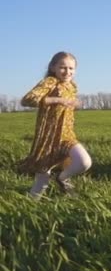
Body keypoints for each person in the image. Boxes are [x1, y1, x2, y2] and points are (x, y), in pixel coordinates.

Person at [19, 51, 92, 199]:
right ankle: (28, 210)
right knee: (41, 182)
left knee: (84, 162)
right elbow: (27, 100)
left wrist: (73, 104)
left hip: (66, 135)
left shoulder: (72, 86)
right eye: (63, 67)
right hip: (48, 139)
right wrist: (58, 100)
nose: (67, 71)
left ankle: (62, 178)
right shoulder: (50, 82)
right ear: (53, 68)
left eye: (71, 68)